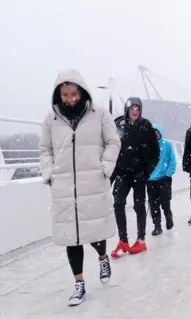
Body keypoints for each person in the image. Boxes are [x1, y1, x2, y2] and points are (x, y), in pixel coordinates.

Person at [39, 69, 121, 306]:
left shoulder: (100, 114)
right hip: (64, 186)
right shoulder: (51, 119)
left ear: (82, 92)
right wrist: (49, 173)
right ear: (58, 95)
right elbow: (45, 149)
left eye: (73, 94)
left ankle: (103, 257)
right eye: (65, 95)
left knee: (95, 233)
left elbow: (113, 141)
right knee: (71, 238)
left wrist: (104, 168)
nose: (70, 99)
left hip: (92, 182)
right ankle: (79, 283)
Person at [110, 97, 159, 257]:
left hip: (140, 174)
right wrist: (112, 175)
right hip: (122, 173)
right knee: (118, 204)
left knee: (139, 206)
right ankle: (122, 240)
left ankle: (141, 240)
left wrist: (147, 171)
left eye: (138, 109)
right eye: (132, 109)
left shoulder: (146, 126)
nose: (135, 112)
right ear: (127, 110)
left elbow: (155, 152)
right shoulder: (119, 125)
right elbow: (111, 150)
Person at [147, 124, 176, 235]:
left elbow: (172, 161)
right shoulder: (148, 146)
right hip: (150, 180)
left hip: (163, 178)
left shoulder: (167, 145)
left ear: (160, 133)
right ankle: (157, 225)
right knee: (153, 204)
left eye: (157, 133)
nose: (155, 136)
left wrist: (168, 174)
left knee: (165, 201)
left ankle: (168, 217)